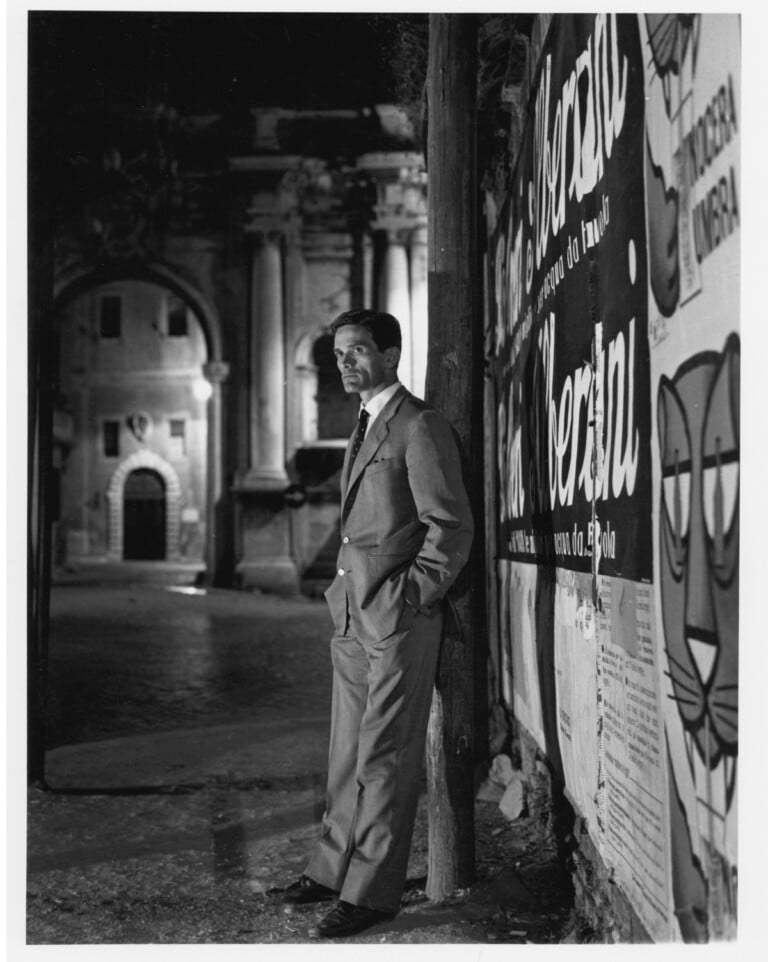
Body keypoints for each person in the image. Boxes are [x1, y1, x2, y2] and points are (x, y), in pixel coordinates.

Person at [281, 309, 474, 939]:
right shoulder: (363, 424)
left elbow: (450, 525)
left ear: (391, 355)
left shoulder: (419, 425)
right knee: (345, 753)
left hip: (396, 621)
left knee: (386, 758)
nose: (345, 363)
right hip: (351, 616)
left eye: (358, 351)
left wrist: (409, 597)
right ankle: (331, 868)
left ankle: (370, 892)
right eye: (339, 354)